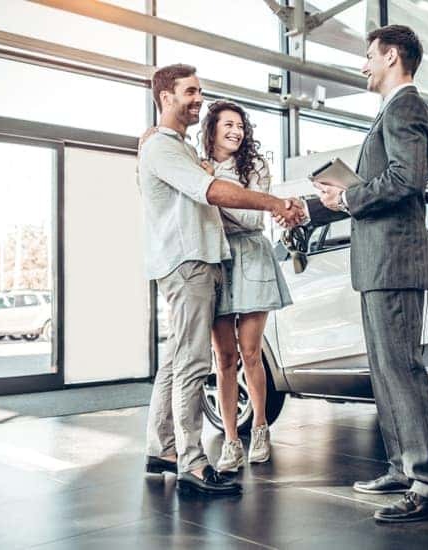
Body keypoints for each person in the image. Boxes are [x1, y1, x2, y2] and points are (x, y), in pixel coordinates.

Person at [277, 25, 428, 523]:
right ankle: (403, 467)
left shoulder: (406, 109)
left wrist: (350, 196)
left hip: (395, 261)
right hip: (379, 263)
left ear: (392, 56)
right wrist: (316, 206)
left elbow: (406, 179)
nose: (364, 65)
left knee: (402, 370)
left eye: (369, 57)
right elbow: (374, 186)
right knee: (386, 372)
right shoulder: (392, 112)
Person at [139, 63, 304, 496]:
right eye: (189, 92)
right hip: (189, 264)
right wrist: (273, 203)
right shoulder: (164, 148)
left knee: (177, 360)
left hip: (199, 262)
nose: (198, 99)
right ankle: (193, 464)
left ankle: (162, 449)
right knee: (195, 363)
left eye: (199, 92)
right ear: (165, 97)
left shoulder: (174, 146)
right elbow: (210, 192)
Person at [198, 100, 293, 472]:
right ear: (213, 129)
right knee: (223, 358)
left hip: (252, 255)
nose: (236, 131)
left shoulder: (255, 166)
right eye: (228, 125)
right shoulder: (199, 165)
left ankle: (260, 427)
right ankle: (232, 441)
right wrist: (208, 186)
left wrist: (216, 192)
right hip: (216, 257)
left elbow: (253, 216)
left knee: (251, 353)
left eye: (240, 125)